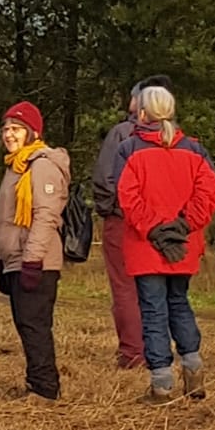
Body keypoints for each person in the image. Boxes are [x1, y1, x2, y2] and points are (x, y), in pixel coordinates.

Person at [115, 86, 215, 404]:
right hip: (183, 246)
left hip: (147, 246)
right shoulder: (194, 150)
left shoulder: (130, 149)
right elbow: (209, 195)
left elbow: (127, 198)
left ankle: (161, 385)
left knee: (153, 311)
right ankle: (193, 371)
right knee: (180, 303)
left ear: (142, 113)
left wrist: (155, 230)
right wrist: (183, 226)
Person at [91, 75, 172, 369]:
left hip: (123, 219)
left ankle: (132, 352)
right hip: (162, 224)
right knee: (156, 287)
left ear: (140, 102)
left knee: (125, 287)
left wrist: (109, 209)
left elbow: (104, 178)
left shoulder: (122, 134)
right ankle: (158, 349)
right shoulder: (175, 138)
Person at [0, 102, 71, 401]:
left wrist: (33, 259)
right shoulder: (15, 166)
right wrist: (0, 260)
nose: (9, 134)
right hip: (15, 259)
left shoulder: (42, 165)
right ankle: (35, 381)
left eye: (16, 129)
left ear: (32, 132)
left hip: (36, 261)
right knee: (24, 324)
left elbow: (45, 216)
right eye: (6, 129)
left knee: (35, 324)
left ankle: (45, 387)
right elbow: (5, 219)